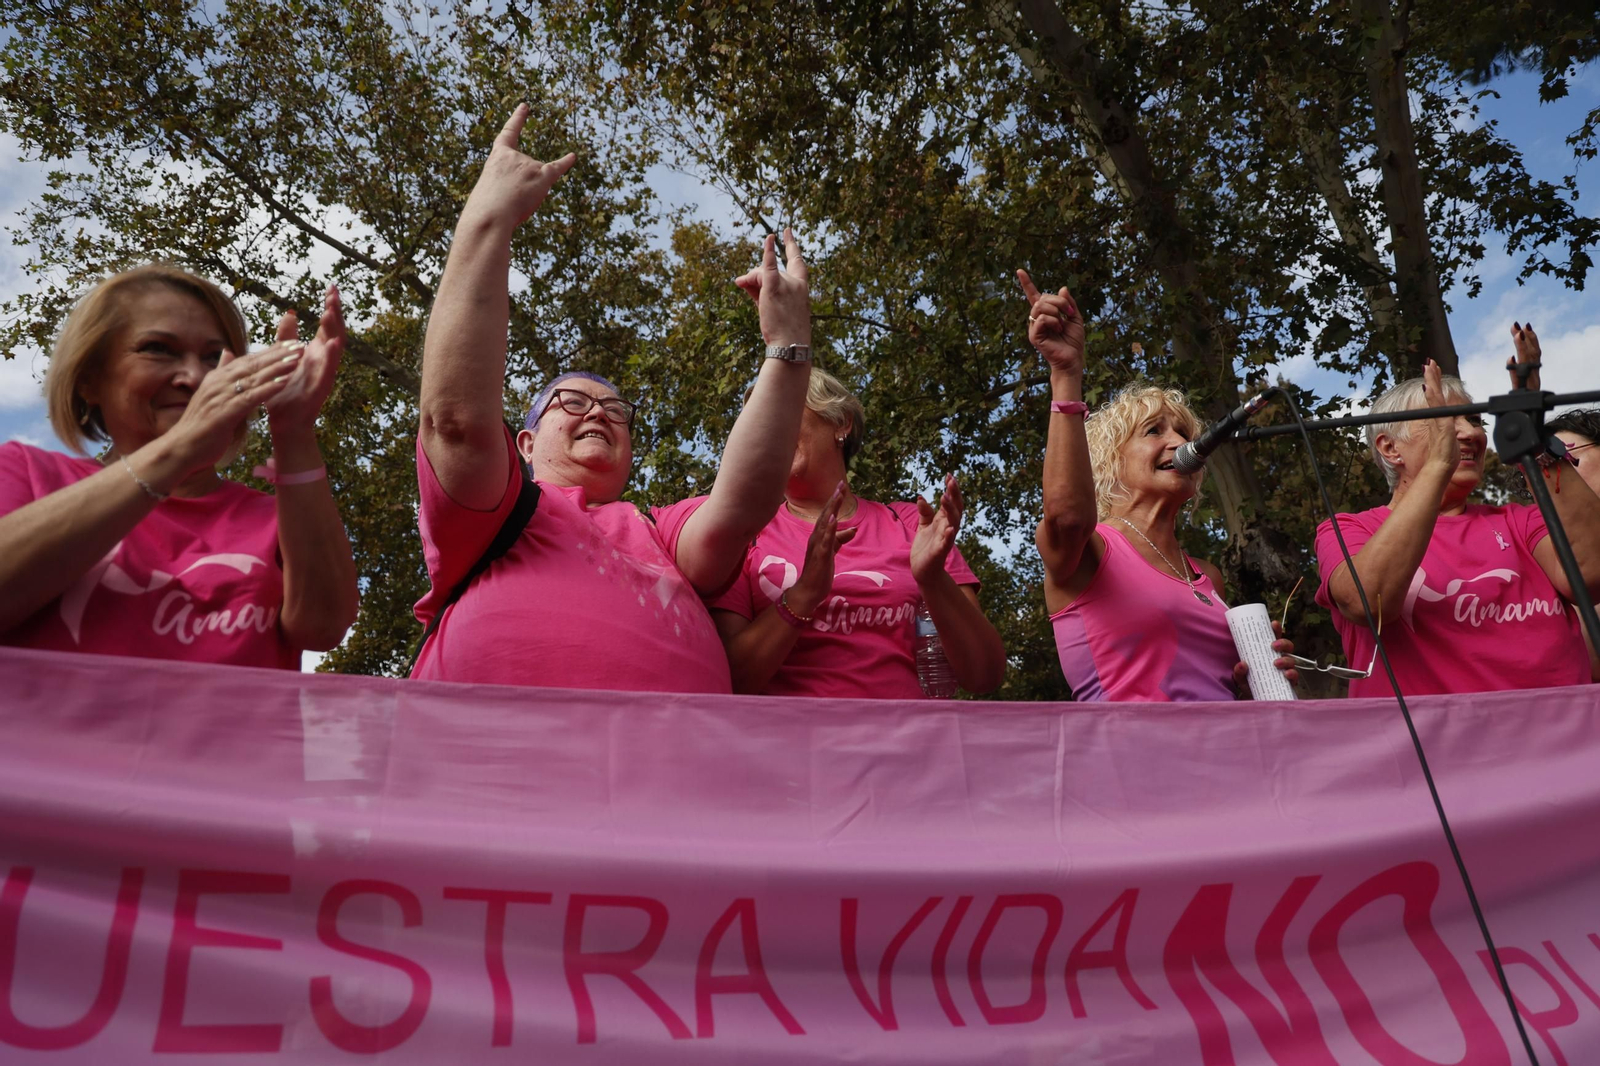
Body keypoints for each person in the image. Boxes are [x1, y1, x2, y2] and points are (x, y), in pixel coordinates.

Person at [411, 105, 813, 692]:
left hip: (678, 775)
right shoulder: (498, 510)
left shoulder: (659, 531)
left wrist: (788, 346)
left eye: (614, 409)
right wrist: (487, 222)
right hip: (493, 768)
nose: (598, 410)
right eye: (571, 402)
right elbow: (456, 423)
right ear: (524, 442)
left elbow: (741, 508)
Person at [0, 265, 358, 667]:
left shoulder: (277, 517)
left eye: (213, 357)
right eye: (157, 348)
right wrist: (179, 447)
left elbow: (322, 628)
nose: (194, 377)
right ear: (89, 380)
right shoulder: (28, 473)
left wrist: (294, 431)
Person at [1019, 270, 1296, 701]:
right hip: (1130, 762)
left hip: (1225, 760)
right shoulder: (1090, 549)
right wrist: (1066, 374)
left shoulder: (1210, 577)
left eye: (1184, 433)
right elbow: (1068, 516)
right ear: (1110, 459)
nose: (1181, 443)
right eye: (1154, 431)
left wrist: (1248, 682)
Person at [1314, 325, 1600, 697]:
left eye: (1474, 419)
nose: (1470, 433)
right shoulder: (1350, 528)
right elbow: (1368, 602)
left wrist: (1533, 438)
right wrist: (1438, 465)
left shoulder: (1519, 521)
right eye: (1446, 419)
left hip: (1564, 741)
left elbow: (1591, 575)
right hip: (1433, 750)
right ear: (1390, 448)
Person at [707, 367, 1006, 698]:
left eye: (783, 407)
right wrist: (803, 594)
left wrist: (933, 579)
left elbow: (985, 675)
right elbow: (727, 681)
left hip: (911, 742)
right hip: (789, 745)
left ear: (841, 423)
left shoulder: (909, 524)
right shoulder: (744, 534)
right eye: (759, 422)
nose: (769, 429)